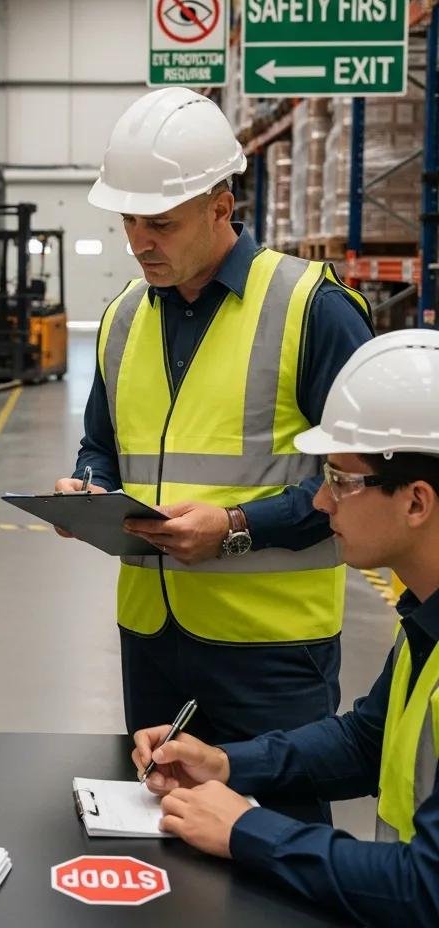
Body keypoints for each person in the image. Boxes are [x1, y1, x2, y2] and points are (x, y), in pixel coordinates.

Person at [54, 87, 375, 807]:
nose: (139, 241)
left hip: (269, 651)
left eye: (160, 223)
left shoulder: (310, 310)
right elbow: (100, 446)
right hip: (149, 639)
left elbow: (374, 485)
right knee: (164, 830)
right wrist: (89, 489)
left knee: (278, 850)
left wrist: (234, 528)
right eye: (128, 220)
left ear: (221, 206)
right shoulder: (122, 318)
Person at [132, 329, 439, 925]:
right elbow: (364, 742)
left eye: (342, 481)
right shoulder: (426, 618)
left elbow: (426, 887)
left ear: (416, 502)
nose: (322, 502)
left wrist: (246, 828)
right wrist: (223, 763)